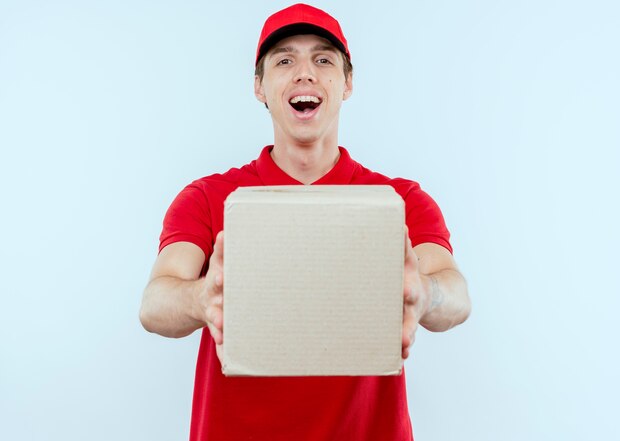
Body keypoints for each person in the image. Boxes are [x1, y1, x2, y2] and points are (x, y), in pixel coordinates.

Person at [140, 3, 471, 440]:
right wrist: (202, 298)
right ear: (259, 87)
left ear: (347, 83)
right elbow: (154, 302)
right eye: (284, 60)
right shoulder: (208, 198)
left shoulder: (399, 200)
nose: (305, 73)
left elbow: (455, 292)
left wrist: (424, 293)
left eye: (323, 59)